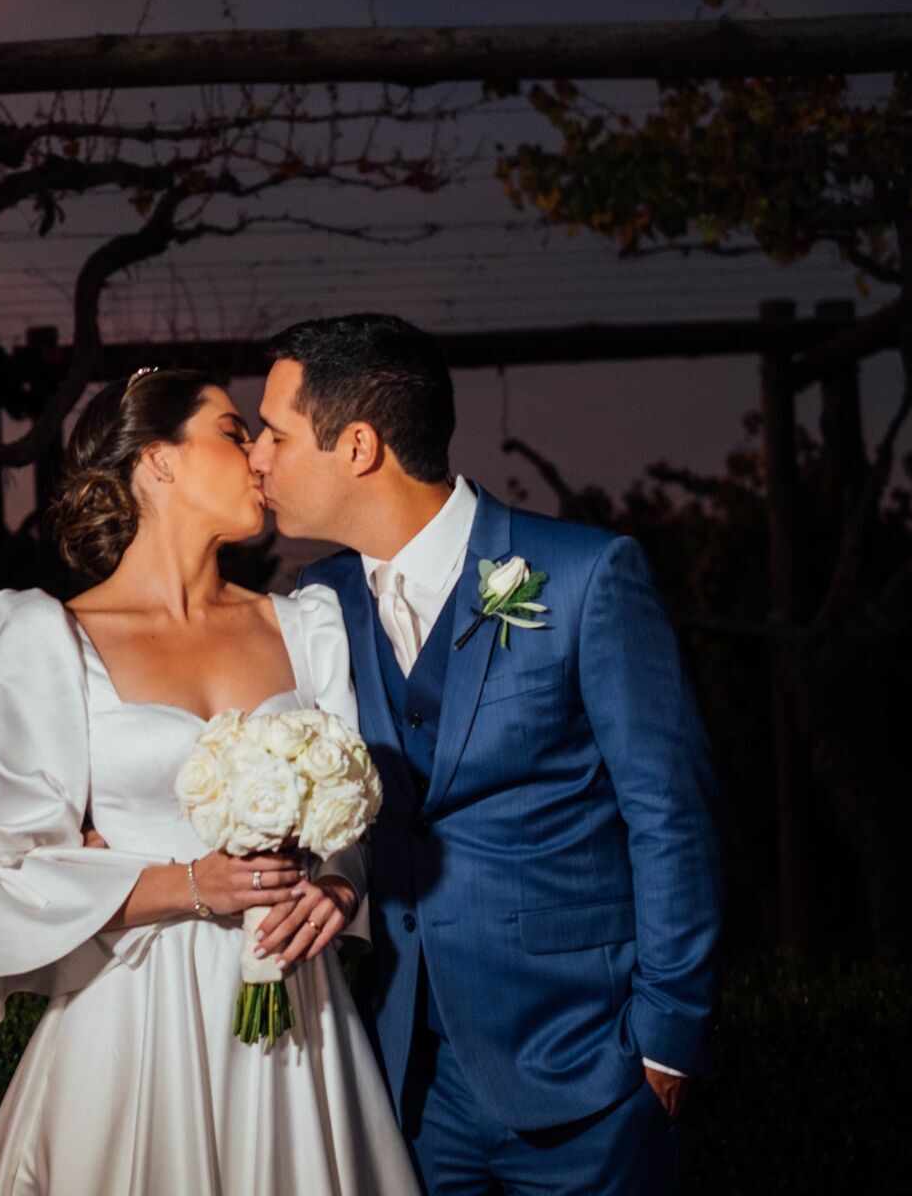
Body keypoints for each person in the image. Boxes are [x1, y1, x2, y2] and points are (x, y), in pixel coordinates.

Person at [0, 368, 420, 1195]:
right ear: (158, 461)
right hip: (134, 1020)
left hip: (297, 1017)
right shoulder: (53, 639)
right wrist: (186, 884)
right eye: (233, 433)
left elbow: (354, 815)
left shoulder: (305, 625)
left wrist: (339, 883)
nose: (259, 457)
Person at [247, 314, 724, 1195]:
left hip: (588, 1069)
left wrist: (666, 1037)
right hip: (403, 1078)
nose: (256, 459)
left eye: (275, 434)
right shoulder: (320, 601)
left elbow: (672, 814)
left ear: (358, 446)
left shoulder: (583, 575)